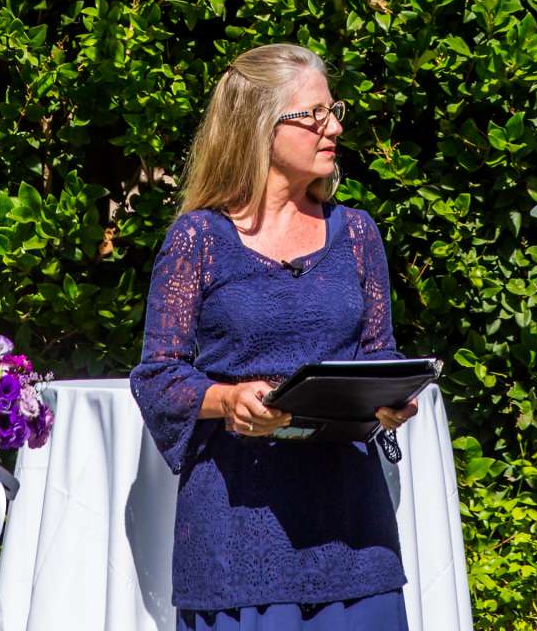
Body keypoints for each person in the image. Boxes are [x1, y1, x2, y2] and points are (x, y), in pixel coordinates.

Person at [131, 44, 419, 631]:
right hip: (239, 539)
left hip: (354, 537)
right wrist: (226, 400)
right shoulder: (199, 240)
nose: (333, 126)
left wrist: (390, 394)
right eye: (313, 115)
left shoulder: (358, 233)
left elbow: (377, 350)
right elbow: (158, 376)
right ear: (259, 127)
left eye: (333, 110)